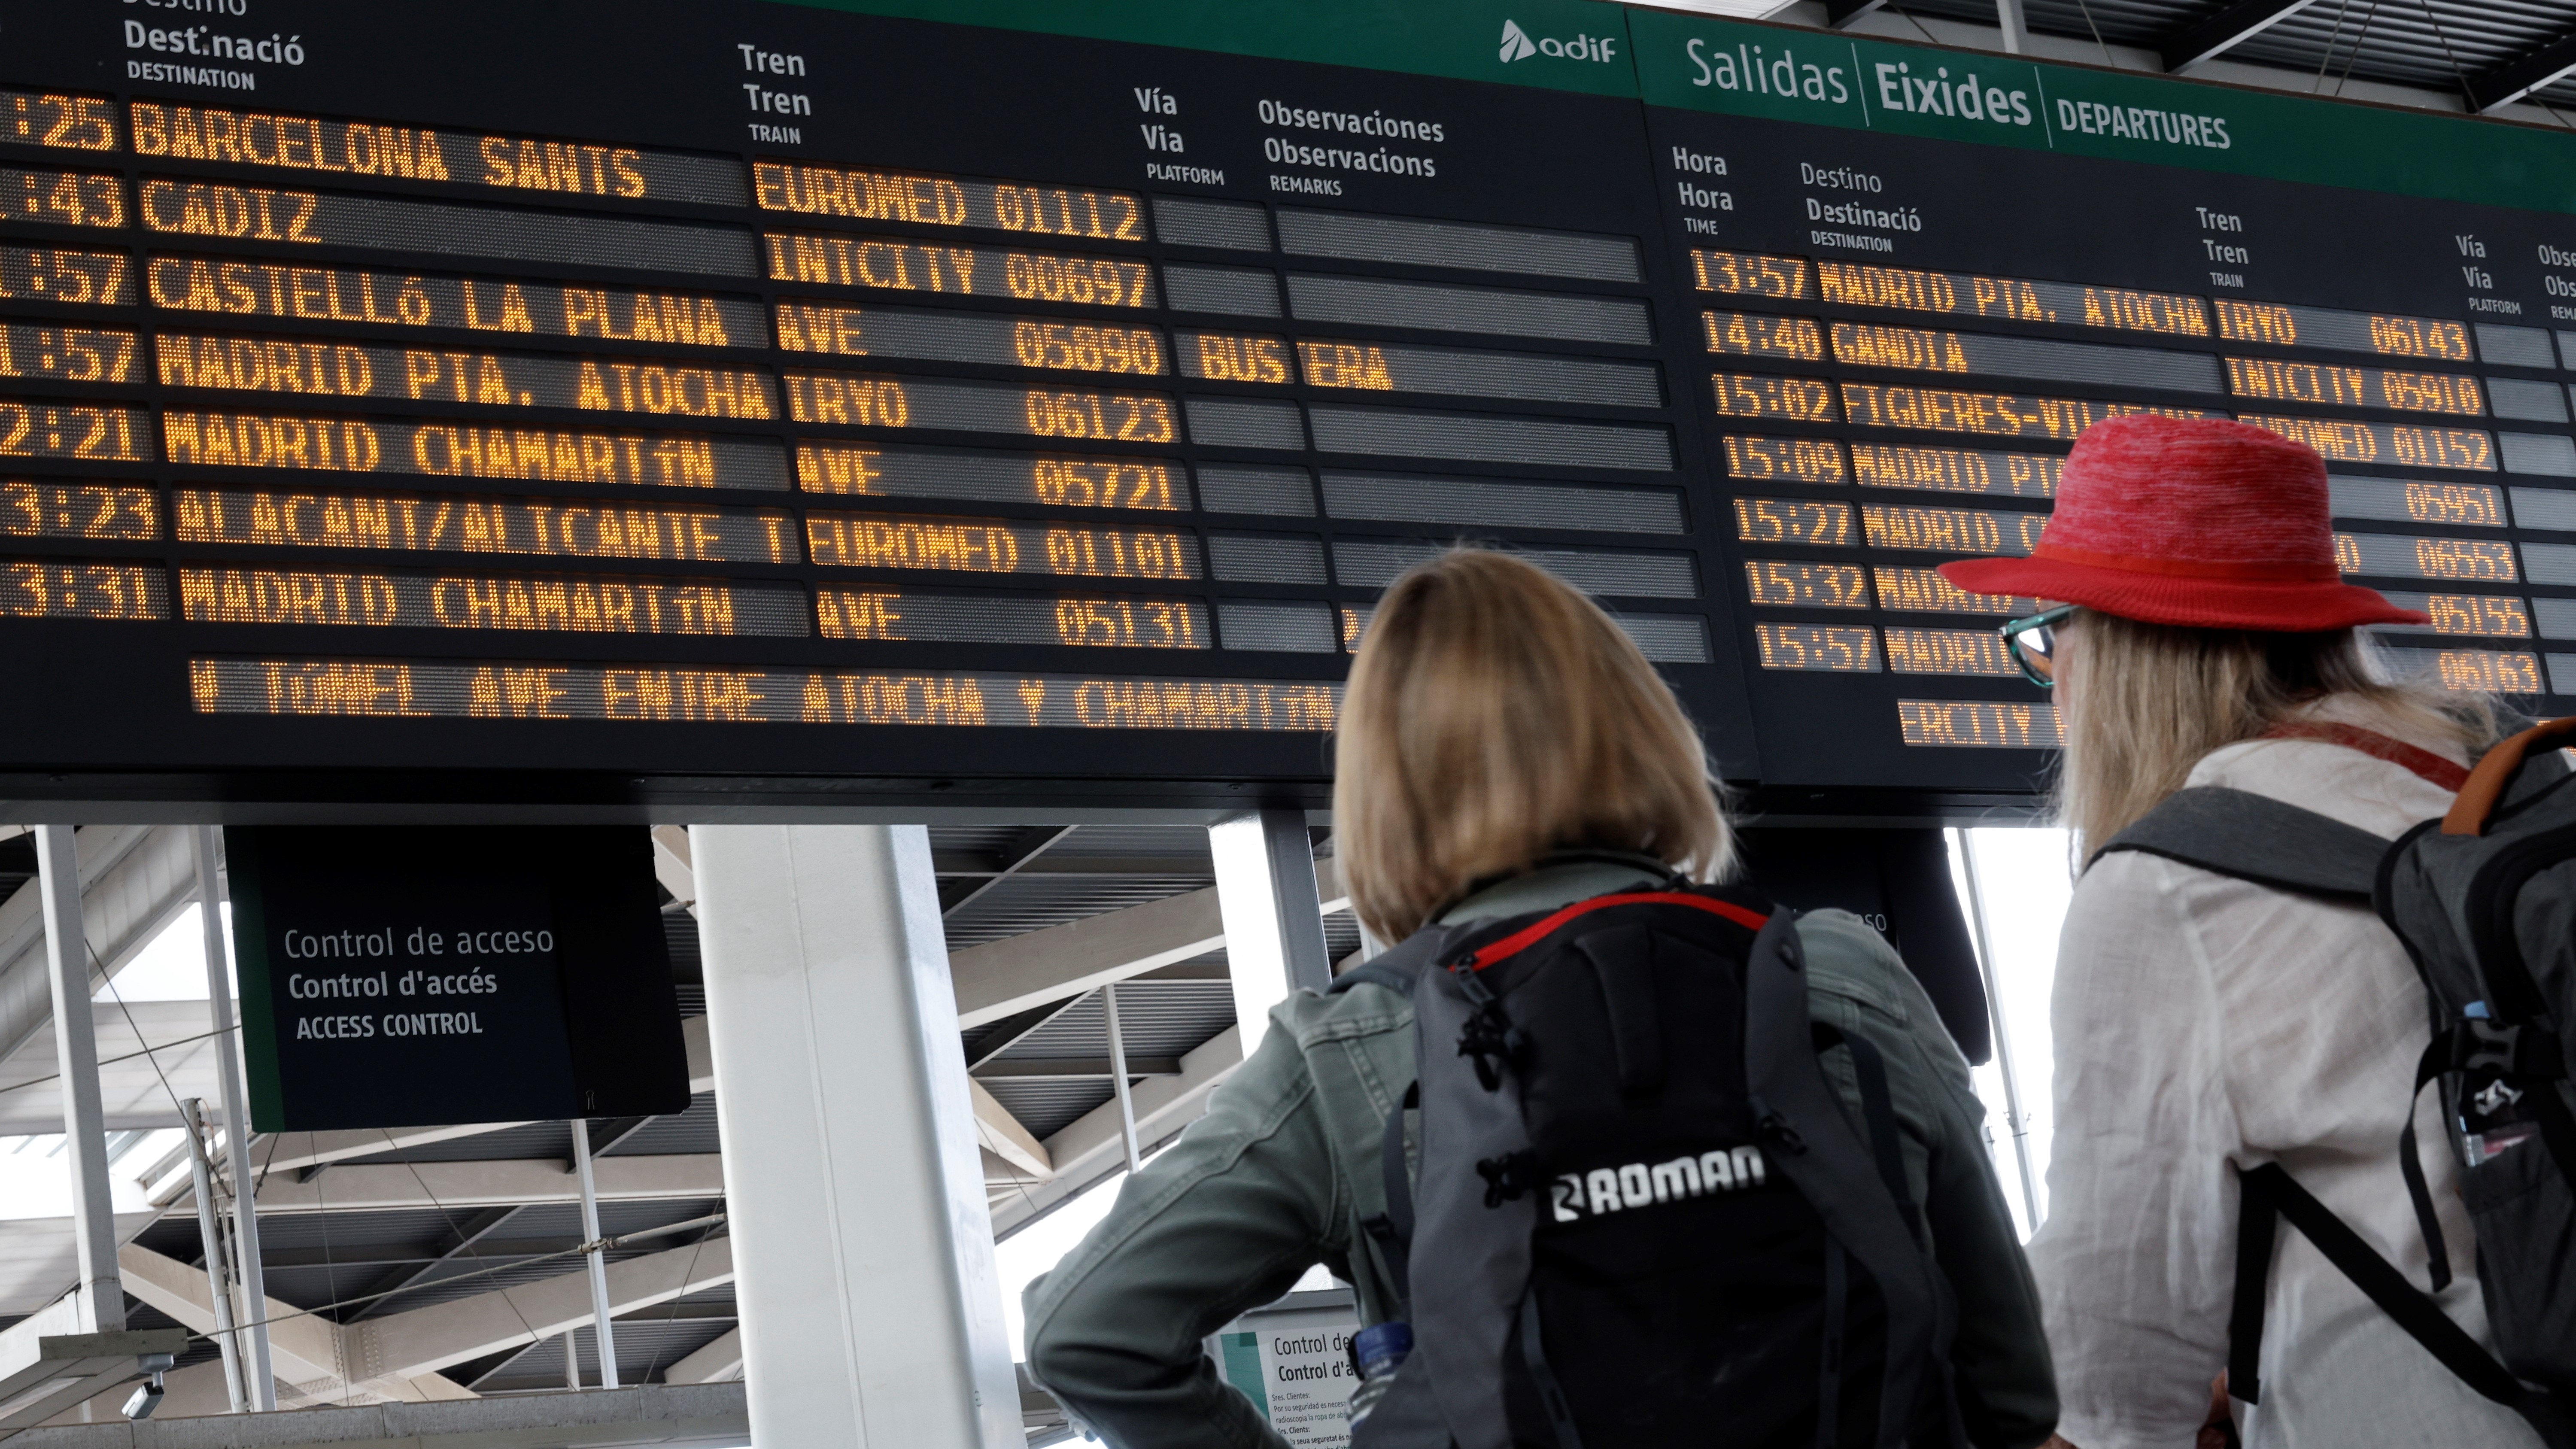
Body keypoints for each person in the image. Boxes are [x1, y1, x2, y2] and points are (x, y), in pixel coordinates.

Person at [1022, 547, 2058, 1448]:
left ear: (1385, 792)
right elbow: (2012, 1387)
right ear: (1645, 728)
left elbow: (1087, 1330)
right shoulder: (1837, 974)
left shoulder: (1350, 1057)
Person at [1938, 414, 2542, 1449]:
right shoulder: (2501, 785)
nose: (2054, 687)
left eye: (2050, 638)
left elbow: (2113, 1371)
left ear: (2118, 654)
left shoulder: (2170, 888)